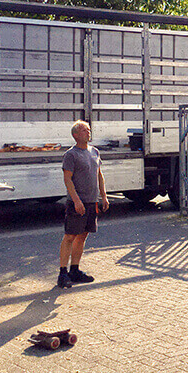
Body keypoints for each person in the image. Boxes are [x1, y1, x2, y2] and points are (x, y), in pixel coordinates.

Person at [58, 120, 109, 288]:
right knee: (70, 236)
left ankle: (75, 270)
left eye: (88, 130)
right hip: (77, 203)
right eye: (84, 130)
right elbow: (67, 179)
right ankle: (63, 273)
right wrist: (76, 200)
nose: (88, 132)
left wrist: (104, 196)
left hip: (91, 202)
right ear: (75, 135)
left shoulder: (94, 152)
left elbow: (99, 175)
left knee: (83, 235)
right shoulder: (71, 155)